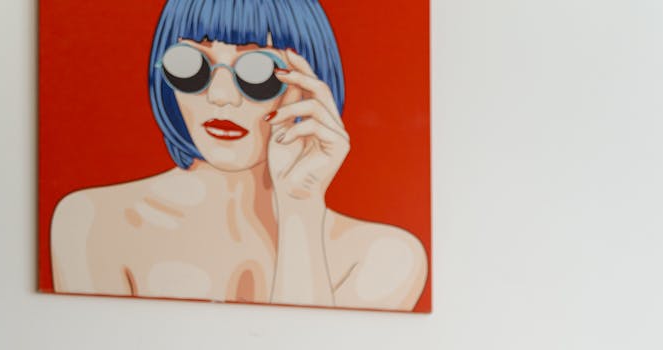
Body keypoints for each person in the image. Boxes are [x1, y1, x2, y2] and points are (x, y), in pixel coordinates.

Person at [50, 0, 428, 310]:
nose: (221, 96)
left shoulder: (384, 256)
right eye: (191, 66)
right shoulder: (93, 222)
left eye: (258, 71)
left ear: (310, 84)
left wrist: (300, 208)